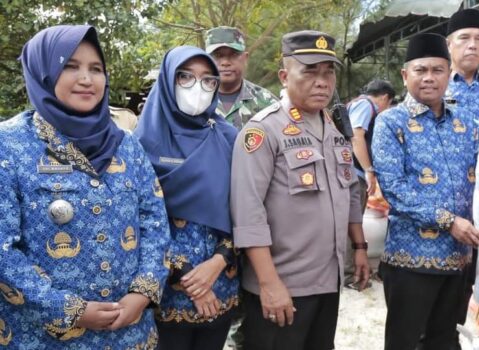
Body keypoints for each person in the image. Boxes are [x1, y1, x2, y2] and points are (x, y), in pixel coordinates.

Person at [0, 25, 170, 348]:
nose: (86, 79)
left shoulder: (127, 145)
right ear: (44, 73)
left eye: (96, 69)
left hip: (129, 336)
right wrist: (71, 310)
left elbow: (154, 222)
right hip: (43, 338)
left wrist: (142, 292)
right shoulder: (9, 146)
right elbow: (3, 253)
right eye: (70, 66)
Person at [230, 30, 371, 350]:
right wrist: (269, 283)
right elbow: (247, 212)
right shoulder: (264, 131)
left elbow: (349, 190)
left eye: (328, 72)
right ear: (284, 76)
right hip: (283, 286)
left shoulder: (335, 129)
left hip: (327, 281)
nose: (322, 81)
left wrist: (359, 247)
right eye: (309, 71)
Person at [372, 32, 479, 350]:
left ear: (449, 74)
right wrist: (450, 221)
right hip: (411, 261)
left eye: (437, 70)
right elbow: (395, 189)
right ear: (404, 74)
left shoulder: (467, 124)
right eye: (420, 70)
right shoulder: (390, 123)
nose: (429, 78)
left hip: (459, 259)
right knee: (405, 343)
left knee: (445, 342)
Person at [135, 46, 239, 350]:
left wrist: (219, 262)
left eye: (208, 80)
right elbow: (139, 221)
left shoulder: (228, 138)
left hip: (221, 284)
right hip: (166, 292)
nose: (198, 88)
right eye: (186, 77)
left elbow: (245, 210)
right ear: (168, 81)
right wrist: (188, 279)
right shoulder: (140, 144)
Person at [342, 79, 396, 288]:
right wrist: (368, 170)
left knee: (350, 221)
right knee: (352, 222)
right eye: (388, 105)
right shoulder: (366, 105)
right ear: (384, 98)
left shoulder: (356, 103)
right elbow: (356, 136)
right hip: (352, 173)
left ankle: (351, 272)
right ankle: (350, 276)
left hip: (348, 171)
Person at [205, 26, 277, 129]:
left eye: (234, 55)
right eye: (218, 55)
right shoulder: (194, 100)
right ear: (206, 59)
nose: (225, 62)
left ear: (245, 58)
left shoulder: (268, 103)